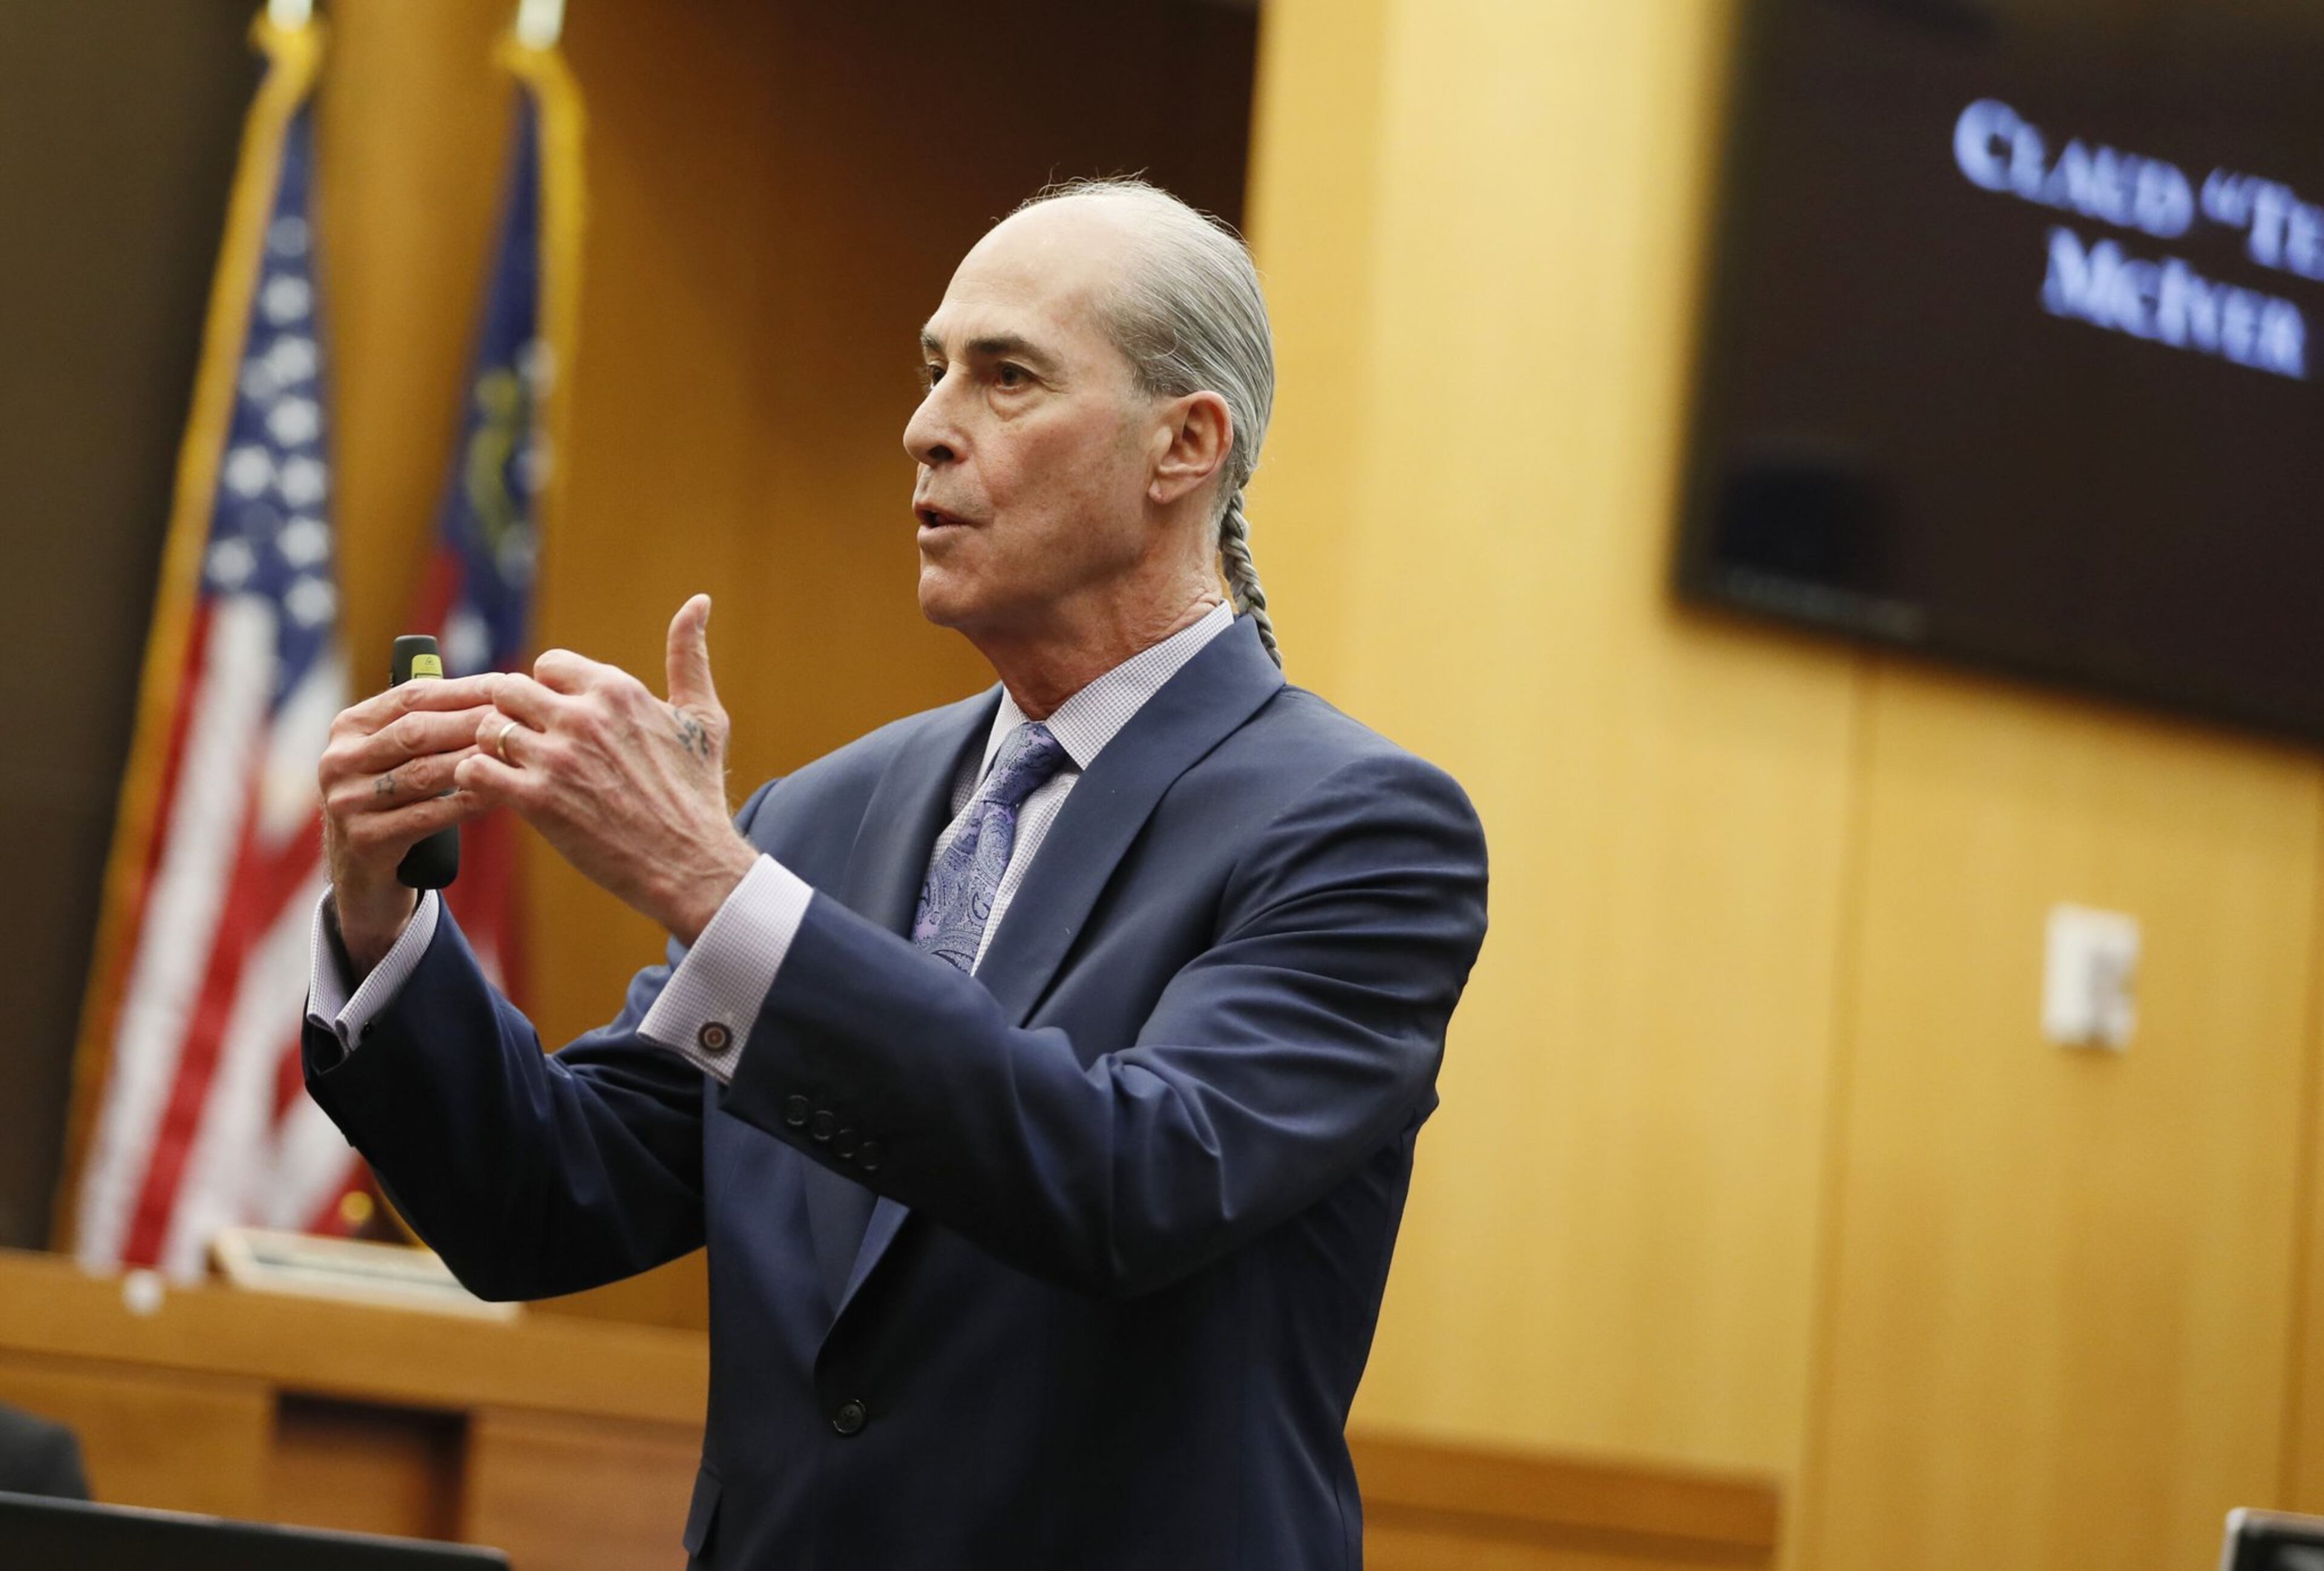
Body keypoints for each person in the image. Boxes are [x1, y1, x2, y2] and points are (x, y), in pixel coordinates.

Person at [304, 177, 1488, 1570]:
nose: (927, 426)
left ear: (1185, 444)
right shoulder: (829, 809)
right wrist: (380, 910)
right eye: (935, 370)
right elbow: (546, 1197)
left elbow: (1130, 1180)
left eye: (1006, 376)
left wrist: (713, 883)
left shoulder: (1360, 827)